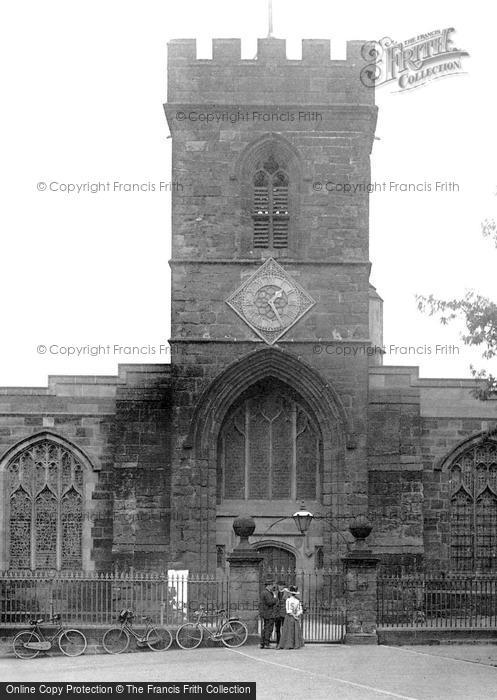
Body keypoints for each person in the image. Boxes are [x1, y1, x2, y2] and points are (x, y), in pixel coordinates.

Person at [277, 585, 304, 649]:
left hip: (289, 617)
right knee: (295, 631)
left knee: (288, 630)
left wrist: (293, 615)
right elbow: (300, 610)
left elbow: (288, 610)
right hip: (295, 617)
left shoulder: (288, 600)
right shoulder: (297, 601)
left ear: (290, 593)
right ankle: (295, 644)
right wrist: (296, 615)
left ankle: (288, 644)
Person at [259, 579, 277, 649]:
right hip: (268, 613)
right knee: (269, 629)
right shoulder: (266, 593)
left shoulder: (265, 592)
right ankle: (266, 643)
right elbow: (270, 602)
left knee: (265, 628)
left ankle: (262, 643)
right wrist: (275, 597)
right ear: (268, 585)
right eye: (272, 585)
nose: (272, 587)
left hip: (266, 613)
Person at [274, 580, 290, 647]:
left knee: (284, 628)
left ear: (284, 586)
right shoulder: (275, 592)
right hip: (277, 613)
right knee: (277, 629)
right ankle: (278, 643)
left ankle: (284, 642)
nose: (280, 587)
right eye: (279, 585)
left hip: (284, 612)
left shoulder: (287, 592)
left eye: (282, 585)